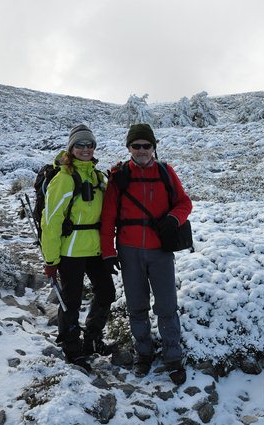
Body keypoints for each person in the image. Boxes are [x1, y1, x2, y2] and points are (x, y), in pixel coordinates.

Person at [100, 123, 192, 384]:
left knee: (166, 306)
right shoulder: (119, 176)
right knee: (136, 307)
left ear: (154, 147)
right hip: (129, 252)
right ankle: (143, 353)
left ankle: (173, 357)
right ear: (128, 147)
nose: (141, 150)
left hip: (160, 252)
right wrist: (108, 251)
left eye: (146, 146)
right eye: (136, 146)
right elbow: (108, 217)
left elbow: (185, 203)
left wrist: (174, 219)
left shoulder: (165, 171)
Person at [41, 124, 116, 371]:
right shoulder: (63, 179)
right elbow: (51, 223)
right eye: (80, 145)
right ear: (71, 148)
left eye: (90, 144)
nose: (85, 149)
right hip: (70, 251)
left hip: (95, 250)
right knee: (70, 302)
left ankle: (91, 340)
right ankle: (72, 348)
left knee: (106, 293)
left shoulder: (98, 176)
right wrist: (51, 261)